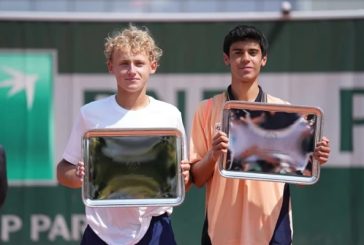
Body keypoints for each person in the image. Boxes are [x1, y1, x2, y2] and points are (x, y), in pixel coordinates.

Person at [189, 25, 330, 245]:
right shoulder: (206, 109)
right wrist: (213, 155)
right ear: (226, 59)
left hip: (272, 229)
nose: (245, 59)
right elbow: (196, 178)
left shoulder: (284, 110)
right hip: (220, 232)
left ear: (263, 59)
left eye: (252, 52)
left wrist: (314, 159)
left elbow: (301, 180)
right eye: (238, 52)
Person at [56, 24, 190, 245]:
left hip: (156, 230)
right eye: (124, 63)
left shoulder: (170, 115)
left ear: (153, 66)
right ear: (111, 67)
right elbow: (63, 172)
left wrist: (184, 175)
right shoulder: (90, 114)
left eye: (139, 63)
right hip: (101, 232)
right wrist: (80, 176)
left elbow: (181, 178)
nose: (132, 70)